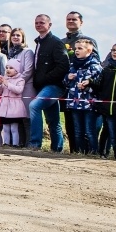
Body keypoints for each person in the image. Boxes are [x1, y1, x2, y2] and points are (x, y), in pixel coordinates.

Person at [28, 14, 70, 152]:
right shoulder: (39, 43)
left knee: (34, 106)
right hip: (41, 86)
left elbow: (63, 66)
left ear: (49, 25)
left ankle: (35, 144)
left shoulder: (56, 42)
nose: (39, 25)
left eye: (42, 22)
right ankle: (57, 149)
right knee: (53, 119)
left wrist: (46, 78)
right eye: (36, 23)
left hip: (54, 86)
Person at [60, 11, 100, 153]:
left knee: (89, 128)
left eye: (74, 19)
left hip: (87, 96)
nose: (71, 21)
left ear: (81, 22)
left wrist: (87, 81)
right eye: (68, 19)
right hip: (70, 93)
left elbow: (97, 68)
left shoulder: (88, 40)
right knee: (72, 125)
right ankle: (74, 150)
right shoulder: (62, 42)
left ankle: (91, 151)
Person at [64, 39, 102, 155]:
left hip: (89, 104)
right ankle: (80, 151)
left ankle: (93, 153)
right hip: (75, 103)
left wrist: (87, 86)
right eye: (75, 48)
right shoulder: (72, 65)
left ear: (89, 50)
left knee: (89, 131)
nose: (76, 51)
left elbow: (100, 86)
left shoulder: (95, 67)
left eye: (80, 48)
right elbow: (65, 84)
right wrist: (67, 78)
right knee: (78, 131)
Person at [8, 27, 35, 146]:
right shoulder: (11, 53)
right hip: (15, 89)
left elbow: (28, 70)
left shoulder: (27, 52)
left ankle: (29, 143)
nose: (15, 37)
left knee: (27, 117)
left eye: (18, 35)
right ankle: (20, 142)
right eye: (13, 35)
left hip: (26, 87)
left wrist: (17, 82)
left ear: (23, 38)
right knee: (18, 116)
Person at [0, 58, 26, 147]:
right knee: (5, 127)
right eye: (7, 67)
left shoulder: (20, 80)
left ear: (16, 70)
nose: (8, 69)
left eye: (11, 68)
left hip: (14, 108)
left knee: (14, 128)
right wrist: (0, 84)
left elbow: (18, 90)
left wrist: (7, 84)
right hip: (4, 107)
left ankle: (15, 144)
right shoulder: (4, 79)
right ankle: (6, 143)